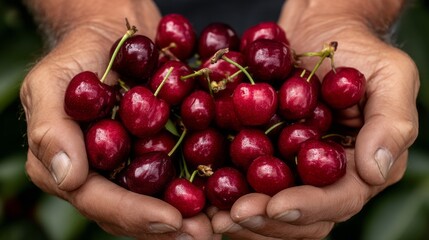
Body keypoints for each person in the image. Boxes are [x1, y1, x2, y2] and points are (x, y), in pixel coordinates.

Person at [20, 0, 419, 239]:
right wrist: (89, 17)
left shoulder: (284, 95)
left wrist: (343, 12)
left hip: (292, 35)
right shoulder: (155, 97)